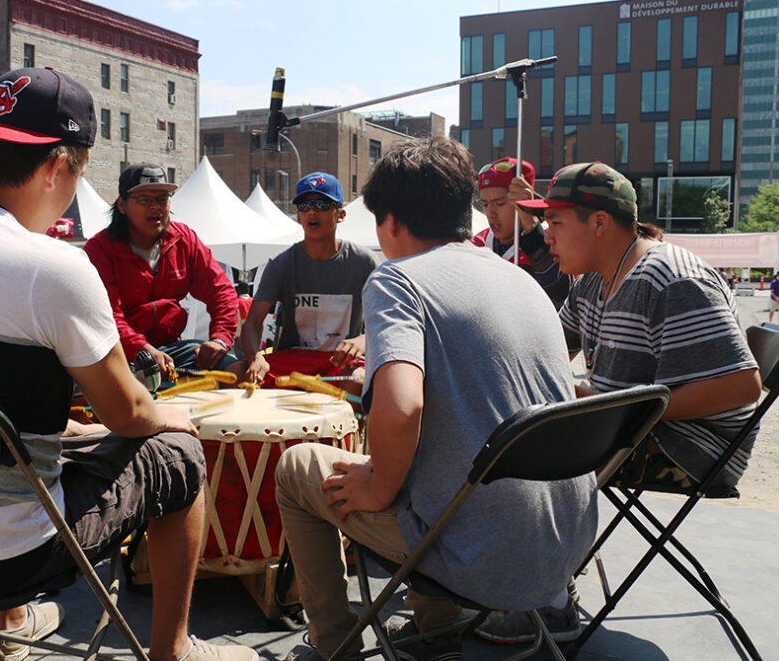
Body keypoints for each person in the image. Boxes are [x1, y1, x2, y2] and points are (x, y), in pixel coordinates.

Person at [0, 66, 257, 661]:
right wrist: (157, 418)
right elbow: (128, 416)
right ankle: (172, 652)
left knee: (51, 446)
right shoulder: (54, 265)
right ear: (56, 167)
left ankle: (14, 623)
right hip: (11, 554)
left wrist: (82, 429)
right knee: (180, 456)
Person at [275, 137, 597, 661]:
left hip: (482, 556)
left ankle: (334, 646)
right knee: (437, 460)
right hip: (565, 547)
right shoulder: (520, 280)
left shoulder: (398, 280)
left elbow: (403, 409)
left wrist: (379, 485)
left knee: (296, 468)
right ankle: (435, 631)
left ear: (392, 222)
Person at [474, 161, 763, 643]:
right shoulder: (592, 277)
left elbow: (741, 385)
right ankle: (531, 582)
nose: (545, 236)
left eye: (555, 222)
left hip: (690, 447)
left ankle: (547, 602)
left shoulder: (671, 277)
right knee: (507, 428)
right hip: (632, 426)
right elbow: (545, 343)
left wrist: (619, 410)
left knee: (524, 456)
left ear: (600, 222)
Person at [83, 164, 240, 381]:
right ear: (122, 205)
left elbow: (222, 292)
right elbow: (108, 318)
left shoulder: (184, 239)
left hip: (171, 350)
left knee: (235, 372)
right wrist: (143, 350)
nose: (156, 207)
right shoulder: (99, 249)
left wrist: (219, 340)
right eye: (145, 199)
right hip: (119, 353)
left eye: (163, 199)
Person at [241, 172, 379, 389]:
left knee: (360, 383)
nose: (312, 211)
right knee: (232, 374)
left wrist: (363, 340)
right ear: (298, 216)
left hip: (342, 362)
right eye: (304, 206)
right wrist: (255, 357)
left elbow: (386, 320)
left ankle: (355, 424)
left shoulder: (364, 262)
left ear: (340, 214)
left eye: (323, 205)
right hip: (293, 361)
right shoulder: (280, 263)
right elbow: (252, 322)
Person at [473, 157, 572, 310]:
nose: (491, 213)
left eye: (500, 203)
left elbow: (559, 296)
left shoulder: (552, 240)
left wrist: (531, 226)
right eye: (485, 204)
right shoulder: (479, 242)